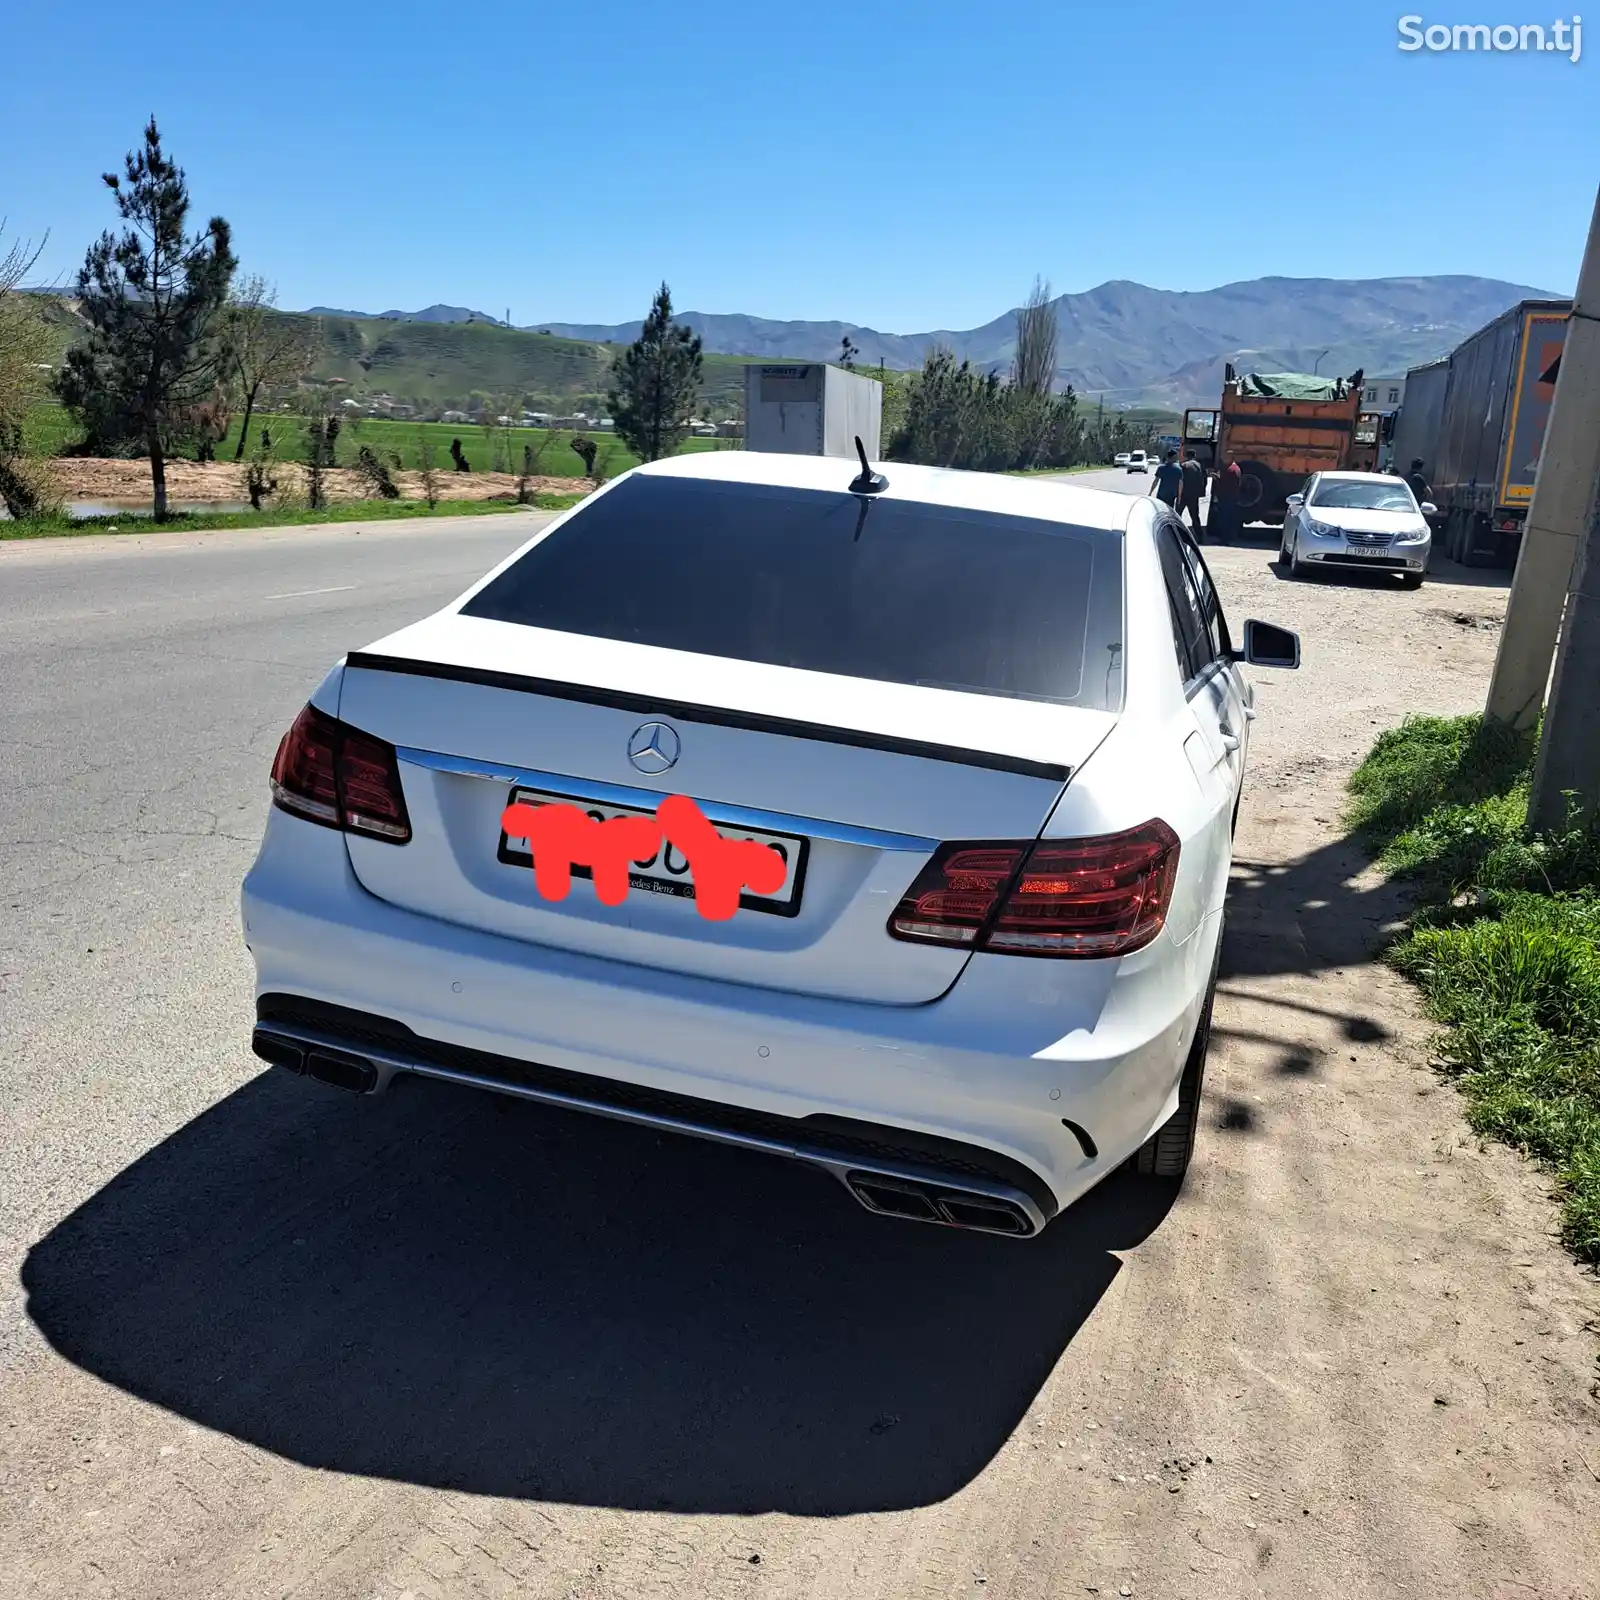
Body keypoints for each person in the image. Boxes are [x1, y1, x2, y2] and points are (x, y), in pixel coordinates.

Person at [1210, 457, 1241, 542]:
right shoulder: (1236, 468)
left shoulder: (1230, 469)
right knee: (1230, 518)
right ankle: (1231, 537)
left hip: (1227, 496)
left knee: (1224, 518)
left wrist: (1216, 477)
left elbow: (1224, 482)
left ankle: (1224, 539)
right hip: (1232, 496)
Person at [1179, 450, 1208, 540]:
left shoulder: (1184, 465)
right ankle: (1200, 536)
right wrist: (1202, 491)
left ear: (1187, 456)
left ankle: (1176, 535)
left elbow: (1180, 480)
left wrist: (1178, 494)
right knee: (1195, 516)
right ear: (1194, 456)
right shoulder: (1199, 465)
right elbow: (1205, 479)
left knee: (1177, 514)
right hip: (1194, 495)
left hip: (1184, 494)